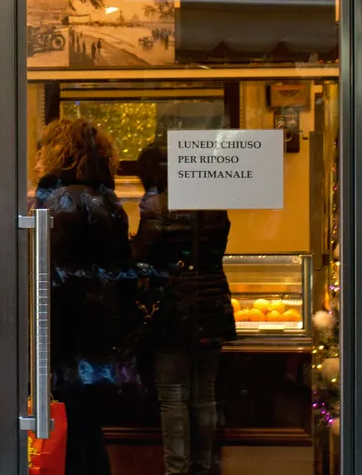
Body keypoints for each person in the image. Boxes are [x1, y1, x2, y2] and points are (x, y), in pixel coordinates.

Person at [32, 118, 138, 475]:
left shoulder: (63, 199)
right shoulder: (106, 197)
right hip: (100, 331)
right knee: (88, 431)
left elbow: (54, 273)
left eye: (42, 148)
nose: (37, 157)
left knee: (74, 434)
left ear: (59, 151)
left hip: (69, 333)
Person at [130, 142, 234, 475]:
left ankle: (177, 469)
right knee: (205, 393)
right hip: (213, 304)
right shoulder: (216, 205)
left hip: (174, 307)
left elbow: (141, 256)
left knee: (173, 394)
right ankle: (202, 468)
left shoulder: (156, 205)